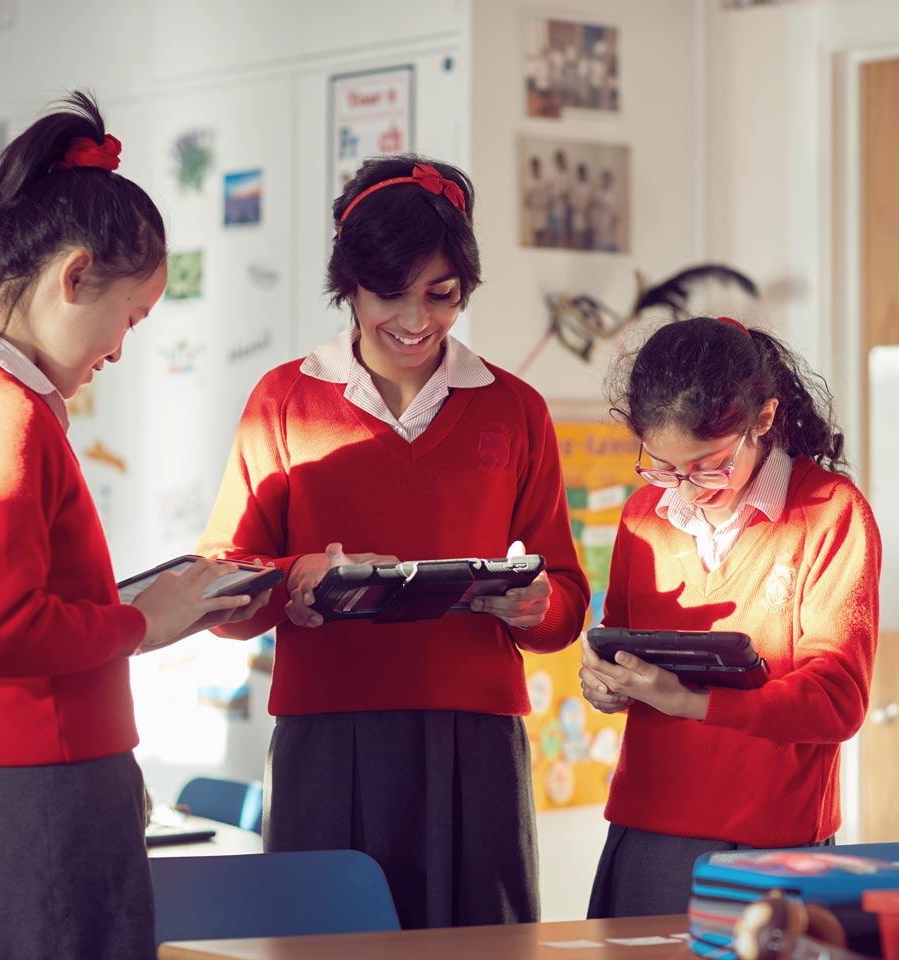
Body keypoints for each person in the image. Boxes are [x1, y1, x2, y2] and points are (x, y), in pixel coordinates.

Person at [0, 91, 269, 960]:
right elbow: (3, 630)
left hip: (1, 779)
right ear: (73, 275)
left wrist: (149, 612)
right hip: (38, 790)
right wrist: (143, 620)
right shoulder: (2, 415)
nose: (122, 348)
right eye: (129, 318)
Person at [196, 154, 591, 929]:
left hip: (476, 746)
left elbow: (567, 605)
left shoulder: (515, 410)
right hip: (327, 742)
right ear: (348, 285)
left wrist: (534, 606)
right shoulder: (283, 401)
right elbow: (221, 590)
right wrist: (296, 577)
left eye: (441, 296)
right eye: (389, 295)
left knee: (484, 949)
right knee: (323, 945)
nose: (416, 320)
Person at [580, 315, 880, 918]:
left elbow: (838, 700)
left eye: (708, 464)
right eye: (663, 465)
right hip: (648, 828)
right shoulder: (644, 514)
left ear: (763, 420)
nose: (684, 489)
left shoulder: (829, 513)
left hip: (774, 843)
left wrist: (696, 702)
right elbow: (619, 642)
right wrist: (604, 685)